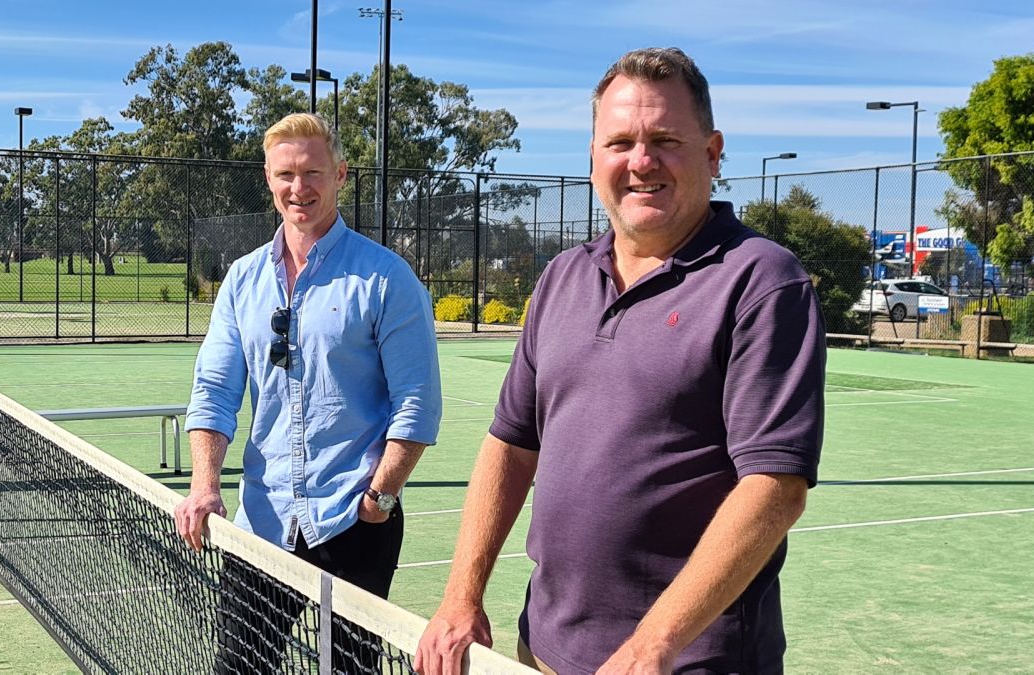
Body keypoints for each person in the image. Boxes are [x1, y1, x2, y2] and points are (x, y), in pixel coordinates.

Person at [415, 48, 825, 675]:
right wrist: (460, 598)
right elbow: (511, 444)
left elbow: (774, 488)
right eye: (620, 142)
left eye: (665, 139)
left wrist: (651, 646)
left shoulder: (762, 281)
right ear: (592, 158)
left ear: (713, 153)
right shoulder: (562, 278)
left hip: (683, 664)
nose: (641, 162)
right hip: (546, 650)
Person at [173, 112, 442, 672]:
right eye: (286, 174)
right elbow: (215, 389)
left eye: (313, 172)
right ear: (268, 179)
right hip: (263, 523)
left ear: (340, 174)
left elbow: (416, 403)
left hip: (356, 521)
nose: (301, 188)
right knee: (241, 666)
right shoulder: (243, 280)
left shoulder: (387, 279)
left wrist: (380, 498)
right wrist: (204, 487)